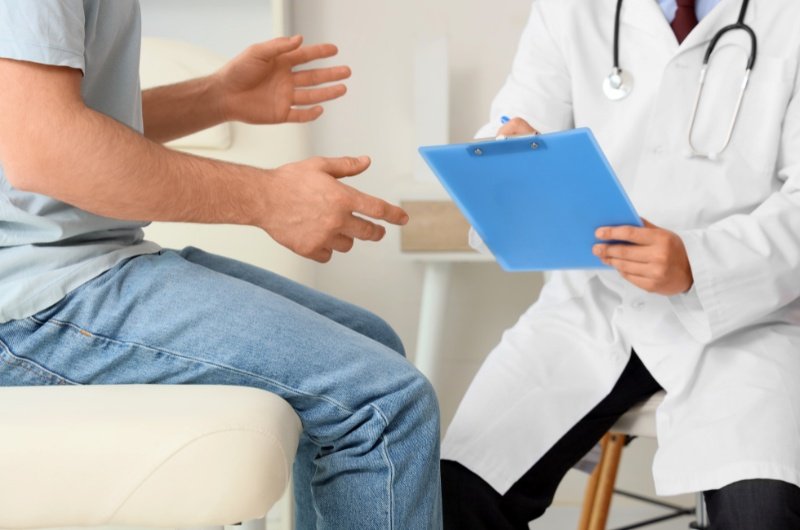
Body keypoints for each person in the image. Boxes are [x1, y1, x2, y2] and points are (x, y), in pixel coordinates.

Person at [0, 2, 441, 529]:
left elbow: (39, 119)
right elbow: (44, 144)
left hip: (72, 267)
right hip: (30, 303)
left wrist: (218, 97)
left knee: (373, 342)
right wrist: (270, 199)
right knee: (382, 402)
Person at [441, 0, 800, 528]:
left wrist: (698, 262)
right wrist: (505, 164)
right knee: (454, 495)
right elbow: (512, 125)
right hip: (592, 302)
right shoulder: (568, 9)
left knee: (762, 514)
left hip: (746, 316)